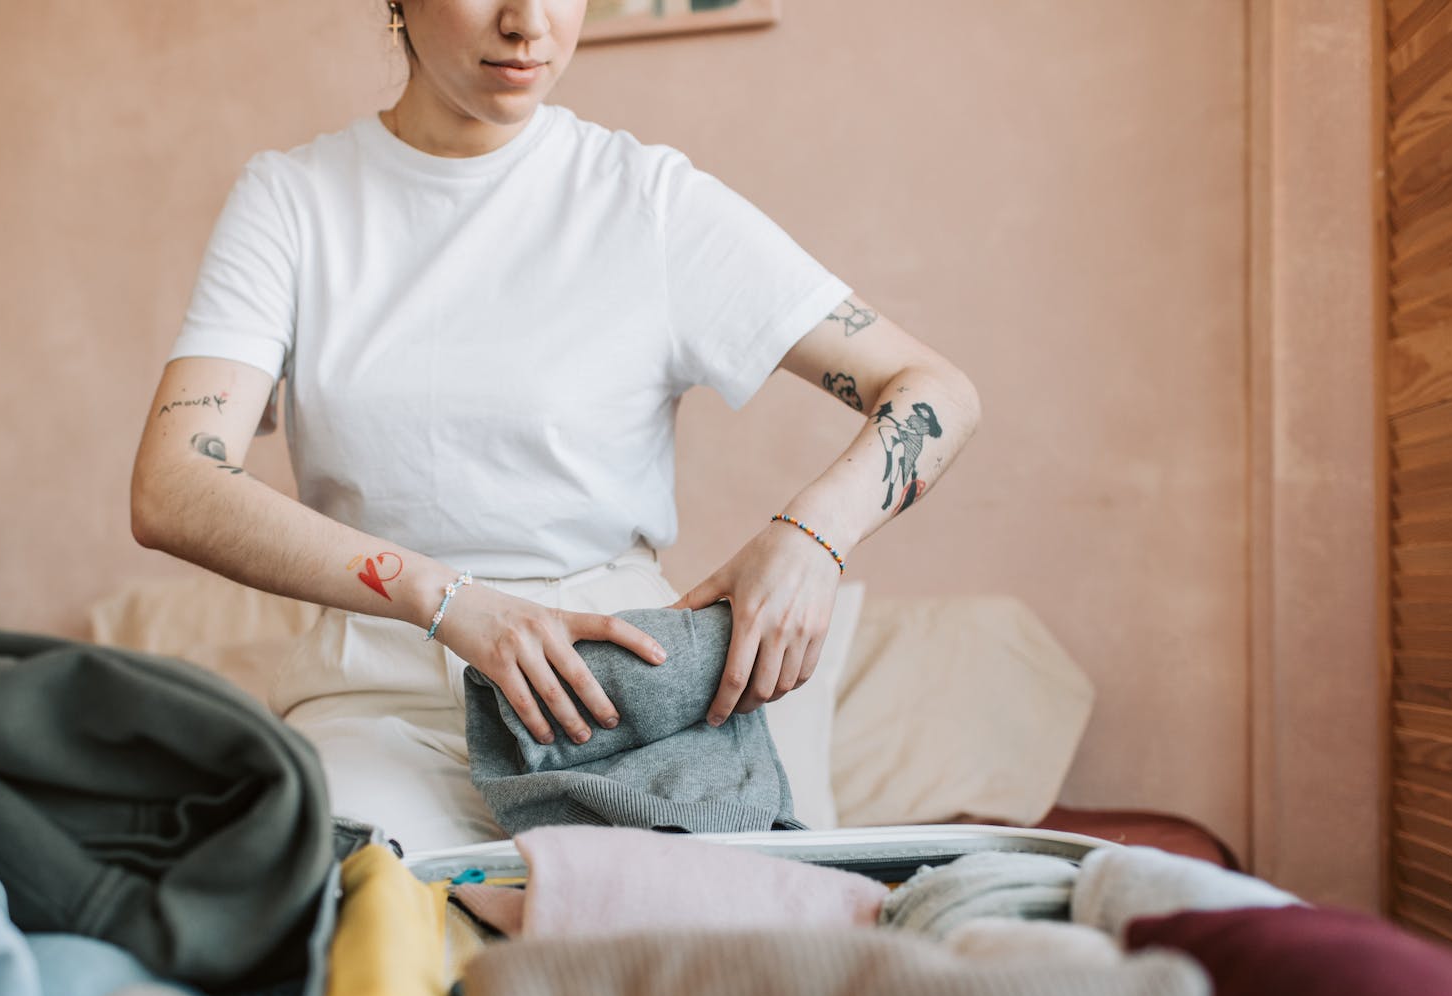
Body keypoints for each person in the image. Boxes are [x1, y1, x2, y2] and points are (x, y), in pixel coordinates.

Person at [131, 0, 981, 853]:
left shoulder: (647, 201)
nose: (528, 22)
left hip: (622, 710)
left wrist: (812, 536)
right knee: (365, 917)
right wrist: (450, 601)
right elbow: (175, 482)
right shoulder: (294, 201)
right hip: (381, 707)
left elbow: (933, 389)